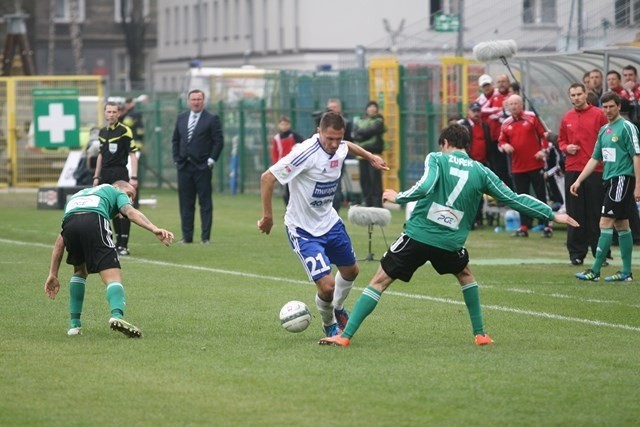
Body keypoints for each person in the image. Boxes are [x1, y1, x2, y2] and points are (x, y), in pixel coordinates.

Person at [318, 124, 579, 347]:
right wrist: (550, 214)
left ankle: (345, 336)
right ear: (467, 145)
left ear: (445, 143)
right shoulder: (482, 171)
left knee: (379, 280)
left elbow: (427, 184)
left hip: (419, 235)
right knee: (465, 276)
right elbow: (512, 198)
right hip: (450, 242)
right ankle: (480, 334)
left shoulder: (437, 158)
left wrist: (400, 196)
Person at [257, 110, 388, 337]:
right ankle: (328, 322)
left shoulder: (340, 145)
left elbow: (348, 145)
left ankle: (337, 308)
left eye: (338, 138)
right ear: (319, 132)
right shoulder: (304, 153)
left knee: (351, 271)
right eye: (330, 139)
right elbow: (267, 177)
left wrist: (370, 157)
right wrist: (268, 217)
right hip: (303, 230)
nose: (335, 144)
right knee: (327, 286)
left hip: (330, 222)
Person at [43, 181, 174, 337]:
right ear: (119, 187)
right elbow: (130, 212)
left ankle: (74, 325)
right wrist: (154, 228)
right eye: (129, 195)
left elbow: (61, 238)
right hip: (95, 220)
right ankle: (117, 316)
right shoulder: (115, 191)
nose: (130, 200)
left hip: (70, 224)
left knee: (79, 270)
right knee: (113, 276)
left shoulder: (78, 196)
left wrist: (53, 273)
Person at [573, 91, 640, 282]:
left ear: (619, 107)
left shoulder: (627, 127)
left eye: (612, 106)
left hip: (621, 180)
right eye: (605, 107)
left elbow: (637, 155)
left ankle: (594, 270)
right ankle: (626, 272)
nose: (608, 110)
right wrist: (579, 180)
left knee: (605, 223)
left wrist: (638, 185)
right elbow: (595, 159)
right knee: (622, 224)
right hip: (610, 180)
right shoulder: (604, 130)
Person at [558, 83, 608, 266]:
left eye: (579, 94)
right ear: (569, 96)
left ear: (586, 94)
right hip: (573, 169)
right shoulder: (567, 117)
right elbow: (561, 140)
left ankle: (600, 253)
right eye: (573, 95)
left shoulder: (599, 115)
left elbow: (607, 136)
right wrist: (566, 147)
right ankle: (576, 254)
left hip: (596, 170)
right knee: (575, 213)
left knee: (595, 212)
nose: (576, 97)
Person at [172, 89, 225, 244]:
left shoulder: (212, 119)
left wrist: (211, 160)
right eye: (193, 99)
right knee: (185, 203)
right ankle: (187, 237)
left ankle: (205, 237)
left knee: (205, 203)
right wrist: (176, 159)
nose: (196, 102)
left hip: (202, 167)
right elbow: (175, 139)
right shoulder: (181, 118)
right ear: (189, 101)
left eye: (199, 99)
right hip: (184, 166)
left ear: (204, 101)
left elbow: (218, 141)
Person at [499, 94, 551, 237]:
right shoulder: (506, 123)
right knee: (521, 198)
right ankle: (523, 227)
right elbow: (500, 142)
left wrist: (543, 151)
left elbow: (544, 136)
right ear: (508, 107)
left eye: (516, 103)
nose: (514, 106)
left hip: (535, 164)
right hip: (517, 166)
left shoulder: (532, 117)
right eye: (511, 104)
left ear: (522, 105)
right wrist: (505, 146)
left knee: (541, 195)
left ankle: (546, 225)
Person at [93, 101, 138, 256]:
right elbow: (100, 155)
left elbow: (133, 154)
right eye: (108, 111)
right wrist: (96, 176)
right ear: (104, 113)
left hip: (119, 172)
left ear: (118, 114)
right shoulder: (102, 132)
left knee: (123, 208)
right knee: (109, 208)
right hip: (105, 173)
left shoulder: (125, 131)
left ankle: (123, 245)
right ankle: (113, 243)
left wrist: (134, 177)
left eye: (114, 112)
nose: (111, 114)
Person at [458, 101, 491, 228]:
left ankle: (478, 219)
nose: (477, 113)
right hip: (467, 163)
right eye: (474, 111)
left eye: (478, 111)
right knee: (467, 192)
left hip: (481, 163)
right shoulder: (463, 125)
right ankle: (467, 220)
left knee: (479, 192)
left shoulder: (485, 126)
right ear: (469, 112)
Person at [476, 74, 512, 188]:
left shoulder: (500, 95)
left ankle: (509, 192)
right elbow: (480, 111)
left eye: (488, 85)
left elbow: (504, 112)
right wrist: (495, 111)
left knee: (505, 167)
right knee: (494, 167)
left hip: (502, 137)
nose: (486, 87)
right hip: (489, 138)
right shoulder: (480, 99)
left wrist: (495, 113)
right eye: (484, 85)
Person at [352, 100, 386, 207]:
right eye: (370, 107)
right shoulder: (359, 120)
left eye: (374, 107)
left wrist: (361, 133)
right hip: (362, 155)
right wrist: (362, 134)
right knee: (364, 179)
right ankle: (367, 202)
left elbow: (371, 131)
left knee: (375, 180)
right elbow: (354, 133)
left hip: (375, 154)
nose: (372, 109)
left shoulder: (379, 120)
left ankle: (377, 203)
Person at [271, 115, 304, 206]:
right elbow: (275, 152)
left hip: (293, 165)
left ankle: (294, 207)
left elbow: (303, 144)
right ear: (279, 125)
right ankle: (288, 208)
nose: (284, 126)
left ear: (289, 125)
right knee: (286, 189)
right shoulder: (277, 138)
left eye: (286, 124)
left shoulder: (294, 135)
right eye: (282, 124)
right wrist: (275, 164)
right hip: (283, 166)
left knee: (292, 187)